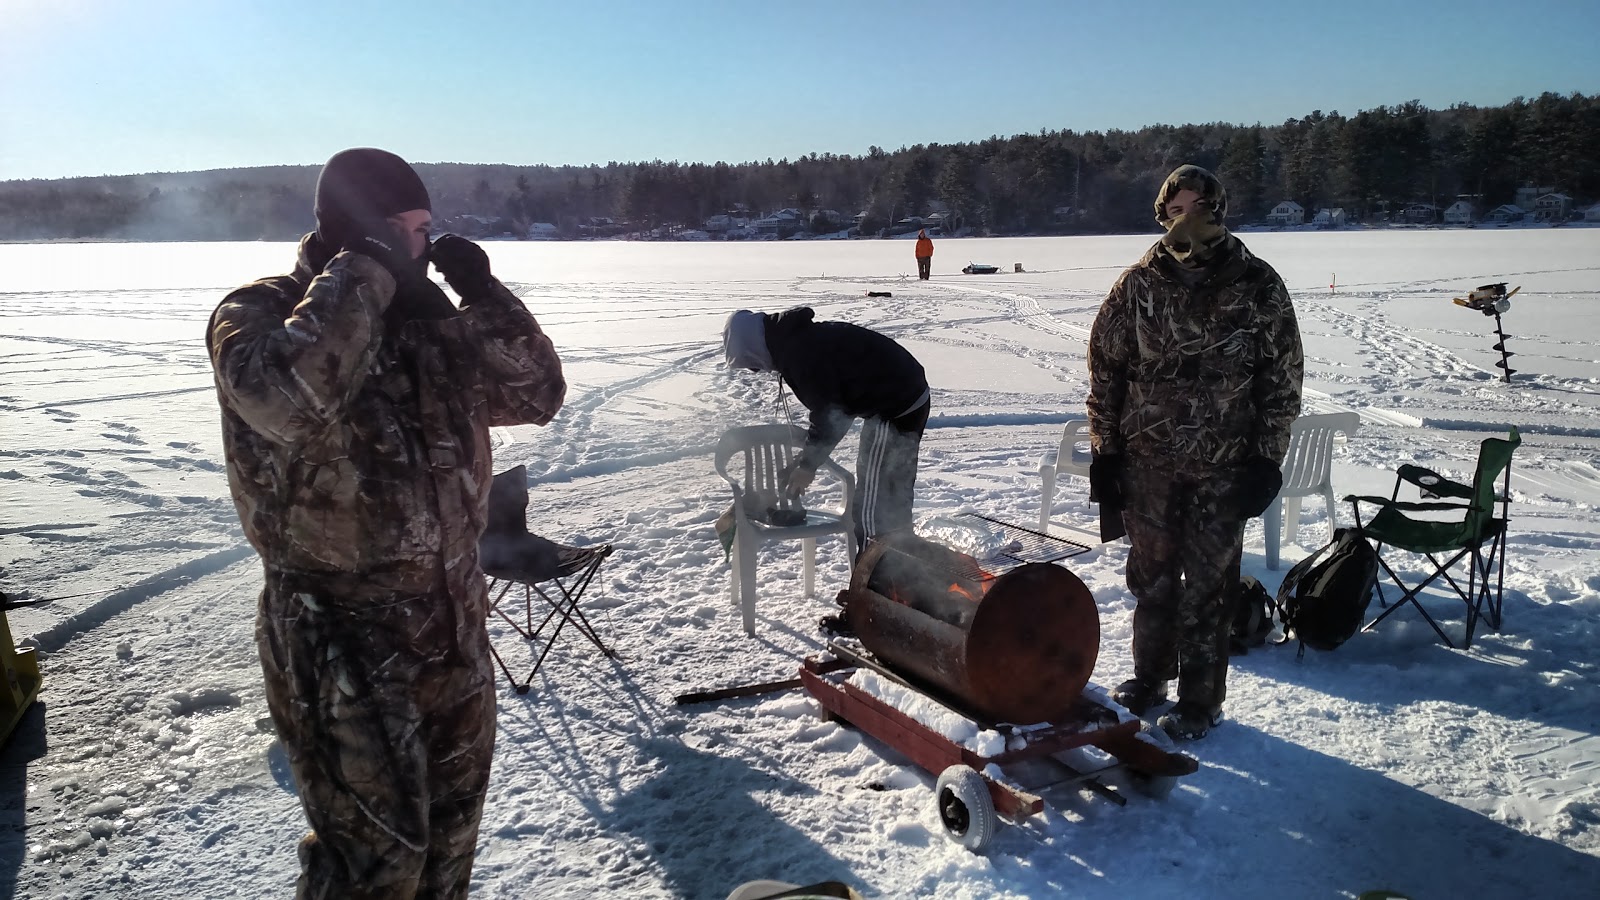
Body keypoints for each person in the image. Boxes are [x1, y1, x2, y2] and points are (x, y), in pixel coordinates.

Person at [207, 147, 565, 898]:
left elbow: (536, 395)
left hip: (453, 620)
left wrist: (482, 295)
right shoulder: (260, 314)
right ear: (352, 230)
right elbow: (289, 404)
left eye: (425, 229)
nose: (418, 247)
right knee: (375, 867)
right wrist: (365, 272)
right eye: (400, 228)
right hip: (341, 632)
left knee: (449, 846)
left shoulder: (428, 320)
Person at [1086, 164, 1303, 741]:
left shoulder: (1258, 284)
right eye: (1177, 210)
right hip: (1148, 465)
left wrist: (1266, 460)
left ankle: (1201, 702)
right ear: (1163, 216)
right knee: (1152, 580)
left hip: (1223, 466)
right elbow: (1106, 372)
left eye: (1200, 209)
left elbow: (1281, 381)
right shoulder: (1137, 285)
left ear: (1220, 212)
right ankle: (1149, 679)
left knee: (1210, 588)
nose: (1188, 222)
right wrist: (1106, 450)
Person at [722, 307, 929, 550]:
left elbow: (831, 415)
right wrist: (804, 460)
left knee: (874, 506)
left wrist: (808, 466)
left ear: (753, 347)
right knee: (884, 493)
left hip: (897, 404)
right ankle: (897, 560)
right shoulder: (794, 342)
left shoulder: (800, 355)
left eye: (751, 364)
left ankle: (883, 565)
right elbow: (833, 409)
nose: (757, 370)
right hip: (896, 398)